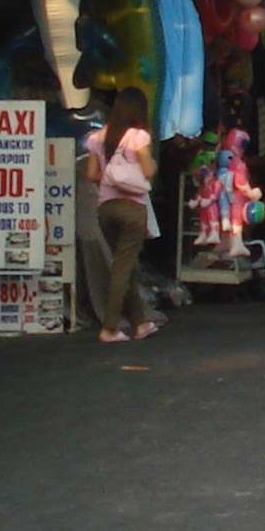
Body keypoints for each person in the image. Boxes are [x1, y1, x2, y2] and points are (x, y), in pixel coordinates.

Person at [83, 88, 157, 344]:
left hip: (105, 208)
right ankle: (110, 327)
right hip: (132, 208)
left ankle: (140, 324)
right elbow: (147, 170)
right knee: (122, 267)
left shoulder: (97, 137)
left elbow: (91, 175)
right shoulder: (139, 137)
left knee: (126, 265)